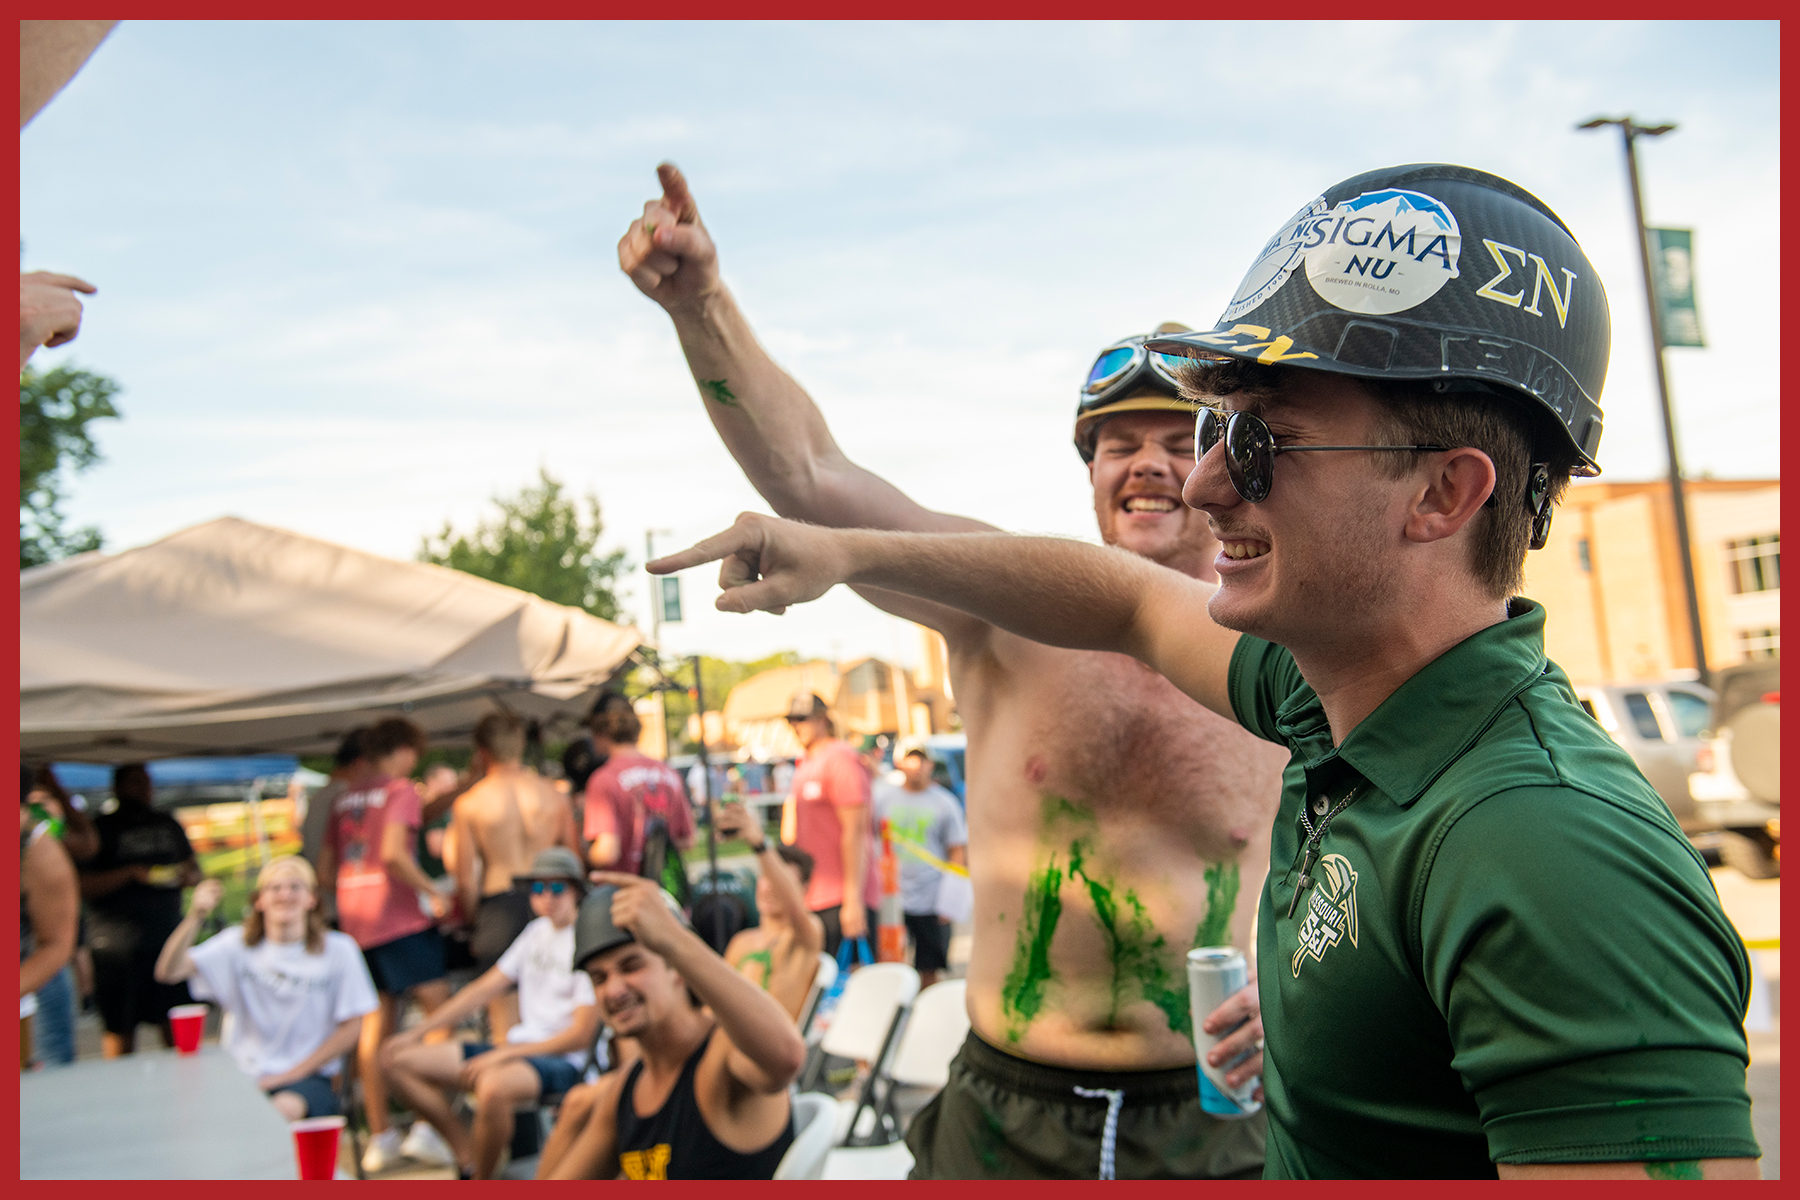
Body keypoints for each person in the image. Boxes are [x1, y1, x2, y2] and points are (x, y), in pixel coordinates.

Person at [649, 164, 1764, 1179]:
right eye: (1202, 434)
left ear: (1443, 495)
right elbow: (1116, 597)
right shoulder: (1321, 697)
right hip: (1012, 1110)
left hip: (1209, 1124)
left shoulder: (1546, 845)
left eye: (1254, 443)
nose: (1197, 485)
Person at [620, 163, 1285, 1180]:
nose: (1146, 463)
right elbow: (811, 476)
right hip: (1006, 1111)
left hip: (1215, 1116)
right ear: (1089, 469)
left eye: (1175, 439)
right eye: (1115, 443)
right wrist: (700, 304)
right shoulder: (1003, 609)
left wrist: (1305, 1007)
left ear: (1222, 464)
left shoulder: (1283, 648)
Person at [539, 872, 804, 1180]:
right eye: (599, 978)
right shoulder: (626, 1090)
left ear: (676, 969)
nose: (614, 990)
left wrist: (674, 939)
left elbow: (787, 1057)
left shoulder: (722, 1057)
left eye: (632, 966)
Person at [381, 847, 603, 1179]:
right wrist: (414, 1034)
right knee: (394, 1059)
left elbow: (580, 1036)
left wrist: (505, 1054)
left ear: (576, 891)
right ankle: (466, 1158)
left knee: (492, 1086)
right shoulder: (535, 934)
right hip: (520, 1050)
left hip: (566, 1061)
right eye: (537, 888)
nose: (546, 897)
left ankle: (481, 1181)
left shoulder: (587, 941)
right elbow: (481, 989)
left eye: (557, 887)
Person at [315, 715, 456, 1174]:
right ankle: (427, 1124)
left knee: (374, 1027)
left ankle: (381, 1134)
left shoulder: (346, 797)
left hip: (355, 919)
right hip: (399, 917)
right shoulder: (399, 791)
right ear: (402, 750)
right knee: (442, 1015)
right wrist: (432, 891)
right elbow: (395, 852)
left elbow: (326, 865)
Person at [152, 856, 377, 1120]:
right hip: (240, 1073)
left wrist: (290, 1074)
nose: (285, 895)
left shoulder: (339, 949)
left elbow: (352, 1027)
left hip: (308, 1076)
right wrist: (196, 914)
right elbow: (168, 971)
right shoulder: (237, 945)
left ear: (311, 899)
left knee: (277, 1113)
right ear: (259, 900)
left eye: (295, 887)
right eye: (275, 888)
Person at [448, 711, 583, 1042]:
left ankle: (510, 1086)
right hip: (554, 897)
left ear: (481, 751)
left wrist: (471, 920)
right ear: (521, 745)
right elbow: (574, 861)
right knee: (560, 1009)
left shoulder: (471, 803)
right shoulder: (553, 795)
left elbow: (465, 879)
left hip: (500, 903)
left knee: (504, 1025)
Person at [76, 763, 202, 1057]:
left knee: (175, 1020)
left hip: (167, 936)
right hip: (116, 943)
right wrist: (130, 873)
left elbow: (194, 869)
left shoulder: (166, 822)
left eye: (147, 782)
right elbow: (83, 885)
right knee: (120, 1025)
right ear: (118, 787)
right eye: (136, 782)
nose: (145, 789)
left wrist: (186, 877)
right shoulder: (101, 828)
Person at [780, 692, 879, 960]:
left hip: (840, 895)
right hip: (814, 895)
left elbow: (855, 832)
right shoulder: (806, 762)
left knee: (851, 988)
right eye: (791, 720)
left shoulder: (840, 758)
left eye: (802, 719)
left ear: (822, 720)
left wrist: (853, 900)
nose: (796, 726)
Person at [712, 801, 824, 1019]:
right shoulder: (741, 942)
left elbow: (794, 908)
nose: (770, 887)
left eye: (781, 880)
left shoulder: (805, 936)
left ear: (803, 890)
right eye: (766, 877)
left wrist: (760, 844)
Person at [873, 749, 968, 988]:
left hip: (930, 896)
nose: (915, 766)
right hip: (892, 897)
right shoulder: (884, 799)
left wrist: (951, 897)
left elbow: (956, 849)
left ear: (930, 765)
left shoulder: (944, 802)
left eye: (921, 760)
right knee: (893, 960)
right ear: (900, 764)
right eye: (910, 760)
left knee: (929, 965)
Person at [25, 765, 96, 1067]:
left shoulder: (36, 837)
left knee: (51, 1064)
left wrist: (57, 795)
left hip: (33, 980)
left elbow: (87, 844)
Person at [583, 694, 693, 876]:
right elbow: (688, 840)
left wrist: (583, 853)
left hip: (625, 895)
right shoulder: (669, 773)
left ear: (599, 733)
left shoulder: (603, 779)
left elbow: (607, 853)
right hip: (664, 894)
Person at [299, 728, 368, 901]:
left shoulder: (323, 795)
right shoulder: (344, 796)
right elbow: (324, 872)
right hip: (340, 906)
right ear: (361, 763)